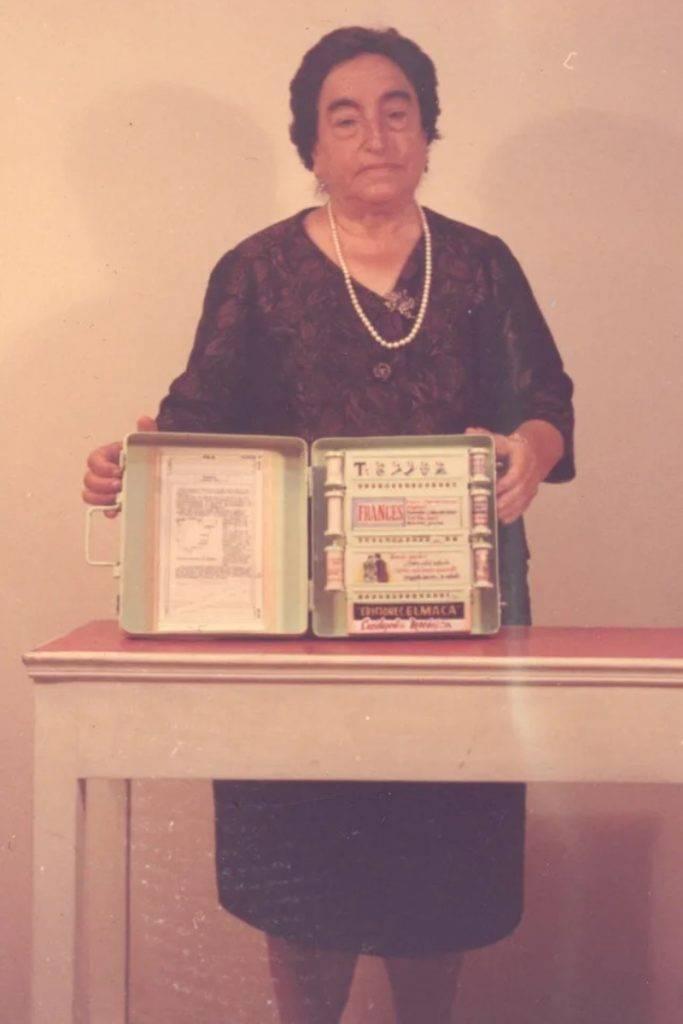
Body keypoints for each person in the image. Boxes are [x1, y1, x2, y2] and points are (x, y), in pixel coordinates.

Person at [83, 26, 574, 1024]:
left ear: (428, 132)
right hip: (292, 643)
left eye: (397, 111)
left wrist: (530, 448)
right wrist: (129, 467)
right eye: (343, 118)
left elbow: (546, 404)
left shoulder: (480, 265)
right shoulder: (254, 271)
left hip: (456, 629)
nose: (375, 136)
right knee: (306, 873)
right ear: (310, 145)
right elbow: (194, 427)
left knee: (437, 871)